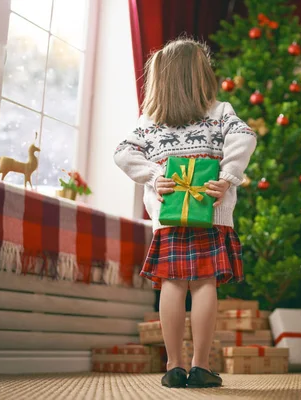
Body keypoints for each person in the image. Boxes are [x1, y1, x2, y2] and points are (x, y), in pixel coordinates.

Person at [114, 38, 256, 388]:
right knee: (205, 283)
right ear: (201, 75)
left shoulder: (150, 120)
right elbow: (245, 138)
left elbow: (122, 153)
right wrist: (227, 178)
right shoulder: (220, 111)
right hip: (211, 214)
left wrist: (154, 176)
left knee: (172, 285)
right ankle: (201, 366)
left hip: (169, 219)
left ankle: (174, 365)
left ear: (160, 79)